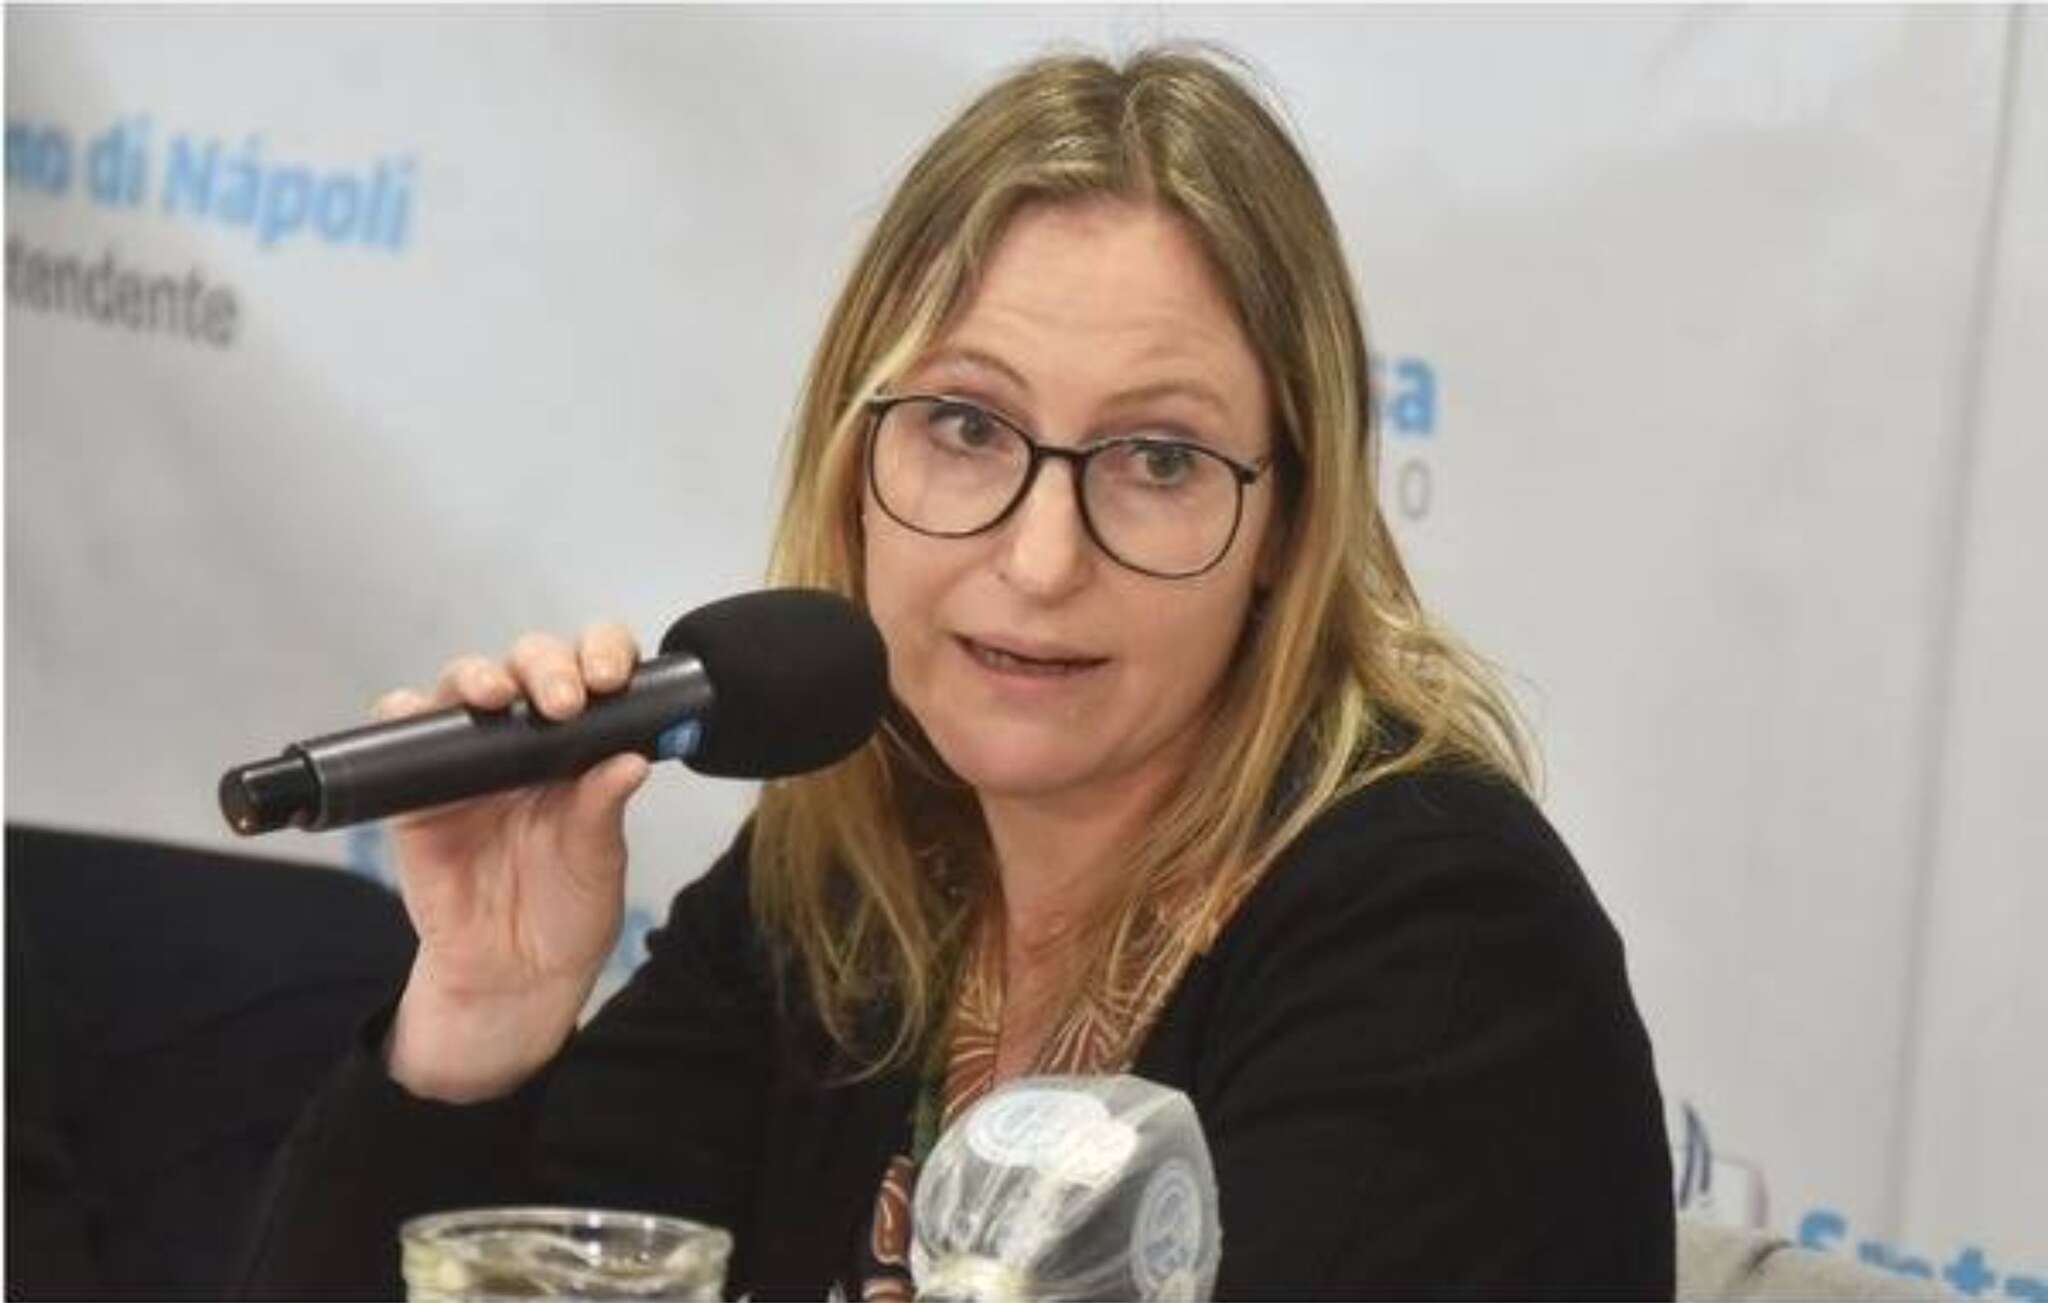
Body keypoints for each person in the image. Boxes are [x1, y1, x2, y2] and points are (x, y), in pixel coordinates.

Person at [241, 45, 1674, 1300]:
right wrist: (481, 1023)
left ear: (1284, 528)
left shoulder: (1443, 945)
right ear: (854, 457)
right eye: (969, 430)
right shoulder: (845, 882)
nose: (1041, 560)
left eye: (1157, 458)